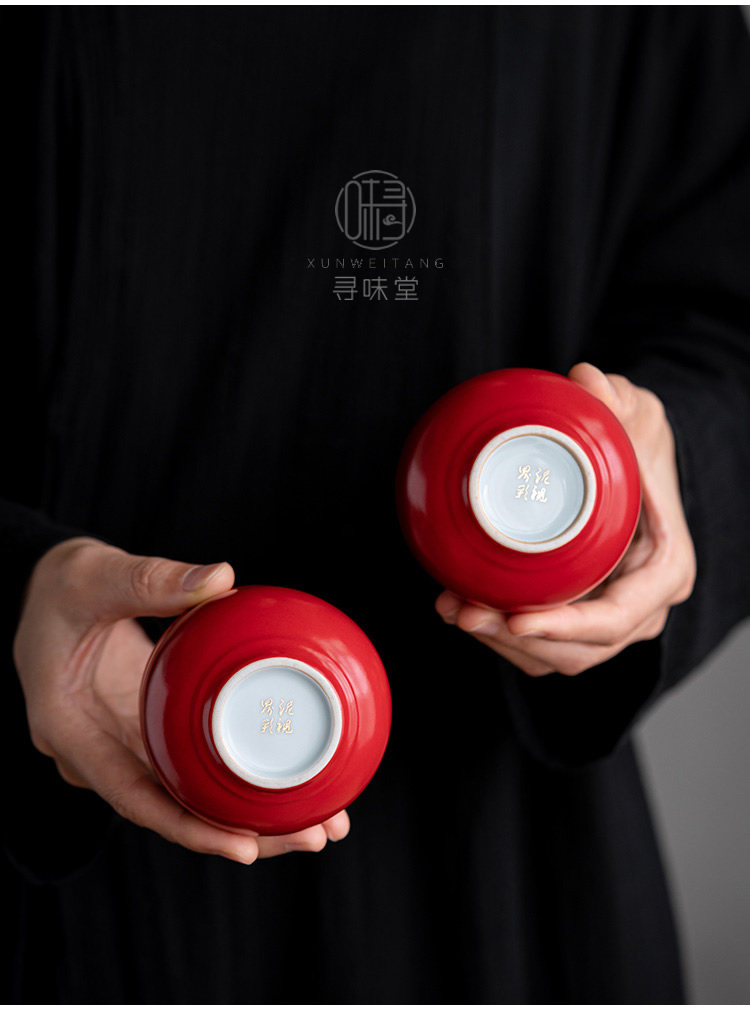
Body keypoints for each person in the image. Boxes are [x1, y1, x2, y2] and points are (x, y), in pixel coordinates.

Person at [4, 8, 750, 1003]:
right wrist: (9, 590)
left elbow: (728, 306)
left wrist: (666, 472)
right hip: (61, 821)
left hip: (492, 848)